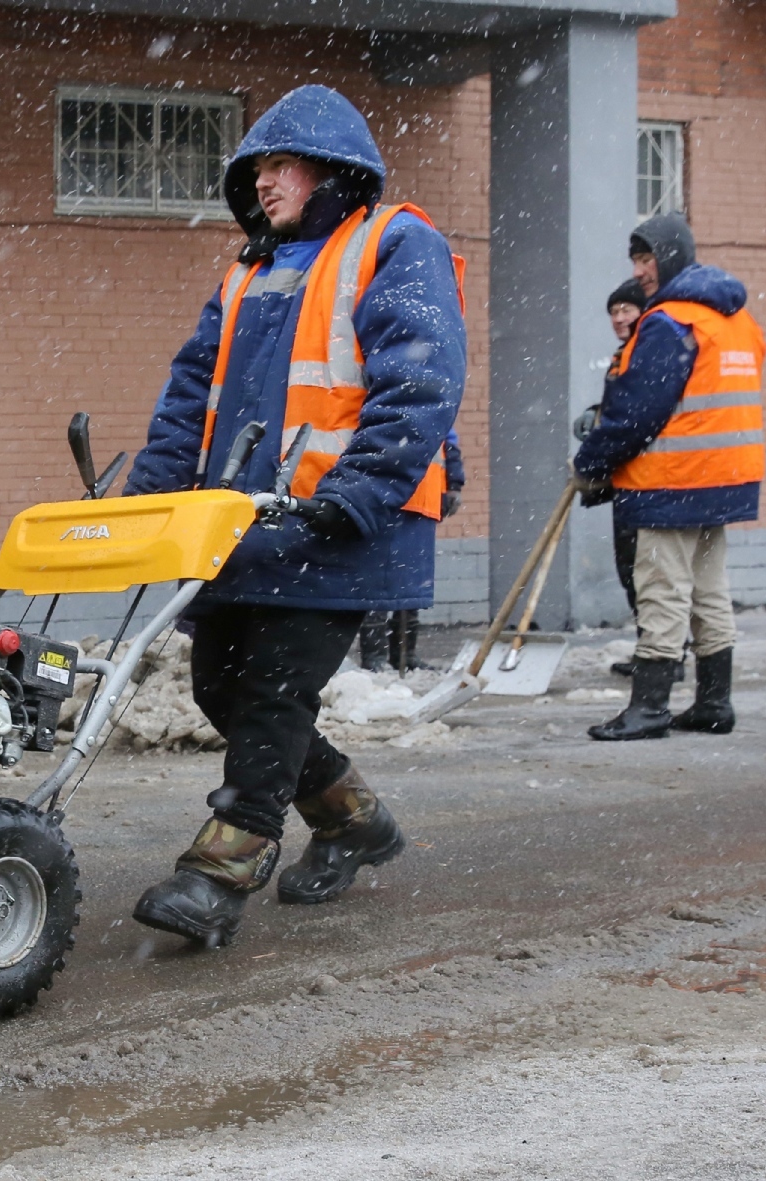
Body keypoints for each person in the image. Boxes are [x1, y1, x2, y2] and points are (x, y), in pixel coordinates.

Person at [122, 85, 466, 946]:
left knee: (275, 685)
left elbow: (420, 378)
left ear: (331, 171)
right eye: (258, 170)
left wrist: (357, 491)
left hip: (343, 523)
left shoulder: (392, 243)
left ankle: (220, 870)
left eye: (281, 165)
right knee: (219, 684)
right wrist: (150, 502)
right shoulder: (249, 269)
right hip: (246, 523)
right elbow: (187, 400)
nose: (265, 183)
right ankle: (353, 818)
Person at [573, 213, 766, 741]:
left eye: (647, 258)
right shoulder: (734, 319)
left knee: (661, 589)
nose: (640, 272)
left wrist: (592, 460)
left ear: (672, 256)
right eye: (635, 261)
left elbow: (638, 410)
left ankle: (650, 707)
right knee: (709, 590)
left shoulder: (669, 322)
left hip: (673, 477)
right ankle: (713, 701)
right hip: (727, 476)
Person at [575, 278, 661, 678]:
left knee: (651, 573)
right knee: (631, 569)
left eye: (627, 309)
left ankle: (664, 654)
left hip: (650, 480)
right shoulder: (623, 356)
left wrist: (594, 454)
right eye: (613, 311)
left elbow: (640, 417)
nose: (619, 317)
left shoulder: (648, 355)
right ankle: (653, 647)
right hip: (626, 479)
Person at [357, 427, 464, 672]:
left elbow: (449, 440)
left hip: (423, 499)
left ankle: (405, 655)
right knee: (379, 581)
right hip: (385, 496)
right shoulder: (386, 399)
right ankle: (375, 657)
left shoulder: (436, 400)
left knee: (411, 582)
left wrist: (454, 483)